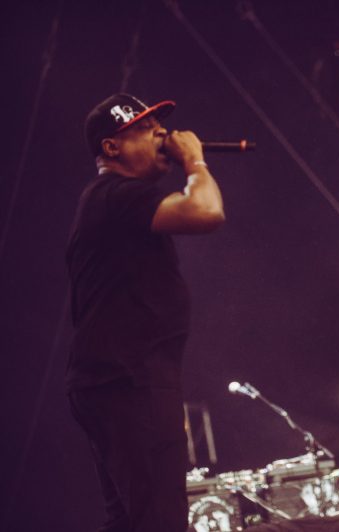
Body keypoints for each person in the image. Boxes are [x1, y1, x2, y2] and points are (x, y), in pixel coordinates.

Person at [66, 93, 225, 532]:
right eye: (144, 129)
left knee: (131, 521)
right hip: (129, 378)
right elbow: (206, 210)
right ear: (111, 147)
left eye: (160, 126)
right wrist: (195, 162)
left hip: (115, 380)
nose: (161, 134)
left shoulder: (112, 201)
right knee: (159, 520)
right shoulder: (115, 194)